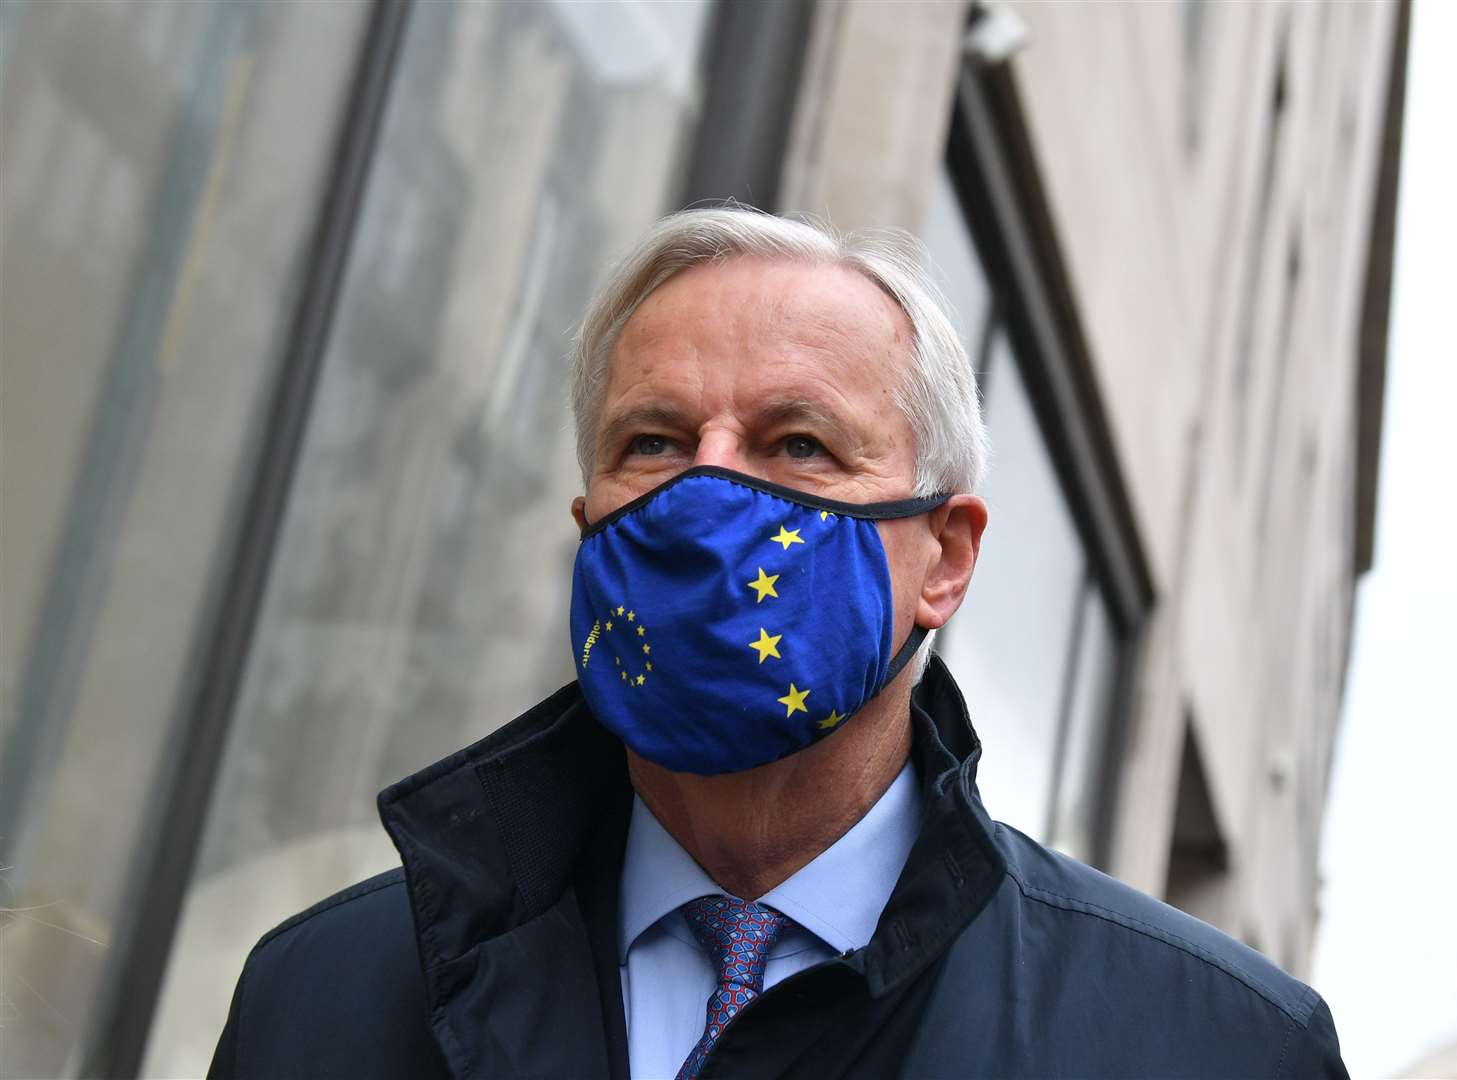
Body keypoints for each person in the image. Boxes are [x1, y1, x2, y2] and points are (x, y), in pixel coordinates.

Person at [209, 209, 1348, 1079]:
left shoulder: (1210, 1042)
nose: (708, 493)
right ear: (586, 523)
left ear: (943, 557)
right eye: (652, 443)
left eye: (797, 446)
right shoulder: (326, 998)